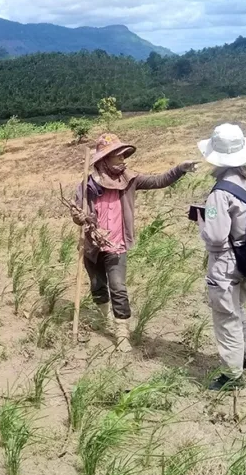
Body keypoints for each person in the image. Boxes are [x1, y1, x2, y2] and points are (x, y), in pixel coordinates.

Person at [72, 133, 197, 352]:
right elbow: (77, 212)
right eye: (117, 156)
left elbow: (159, 181)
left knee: (118, 287)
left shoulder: (129, 180)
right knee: (97, 285)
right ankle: (104, 318)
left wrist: (180, 169)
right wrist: (79, 217)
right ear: (104, 159)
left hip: (117, 244)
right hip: (92, 244)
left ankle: (122, 333)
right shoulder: (87, 185)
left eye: (123, 155)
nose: (123, 160)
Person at [196, 123, 246, 390]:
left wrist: (201, 223)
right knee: (238, 310)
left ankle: (232, 374)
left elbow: (216, 238)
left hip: (227, 264)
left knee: (226, 316)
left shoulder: (220, 192)